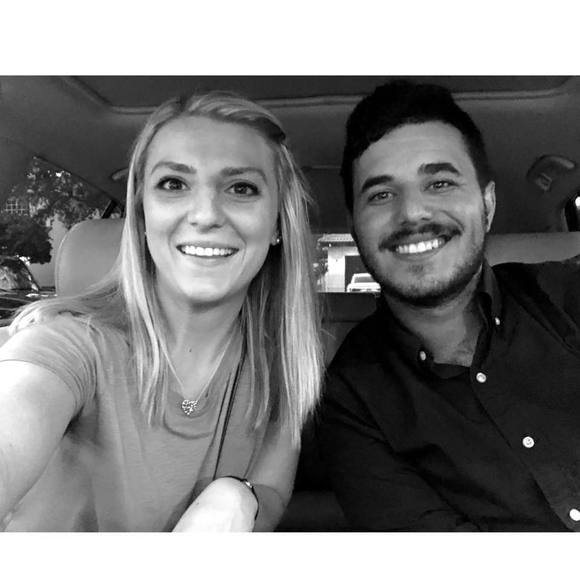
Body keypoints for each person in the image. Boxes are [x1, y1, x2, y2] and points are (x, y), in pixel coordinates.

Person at [0, 91, 323, 532]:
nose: (205, 214)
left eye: (241, 188)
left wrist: (236, 496)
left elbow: (272, 491)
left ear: (278, 225)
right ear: (141, 215)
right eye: (173, 184)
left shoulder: (283, 367)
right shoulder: (67, 345)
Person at [319, 80, 580, 531]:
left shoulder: (568, 293)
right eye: (381, 194)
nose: (412, 213)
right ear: (355, 226)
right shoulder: (352, 397)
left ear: (487, 204)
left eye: (439, 183)